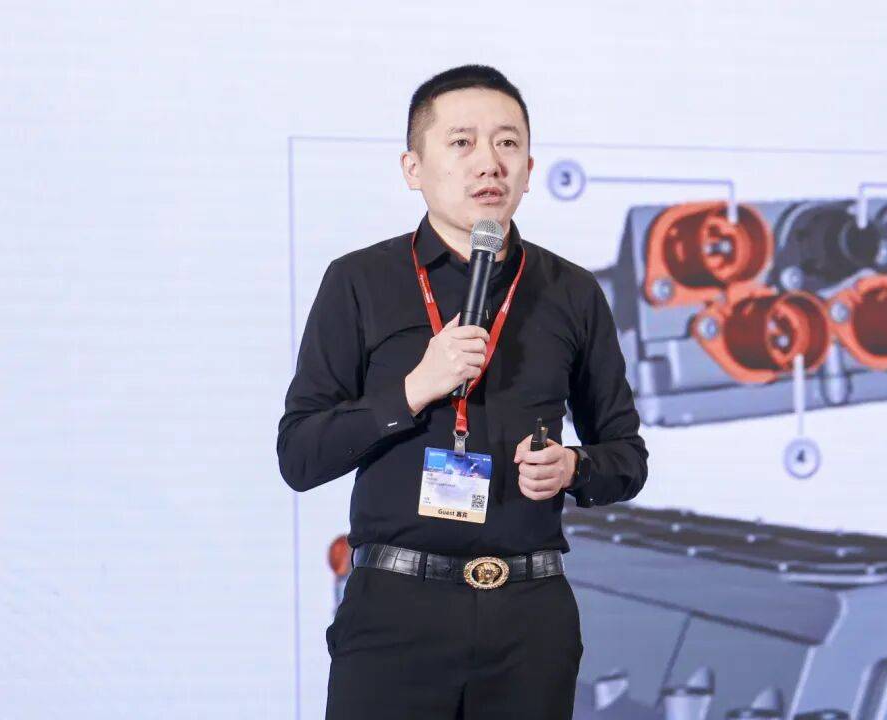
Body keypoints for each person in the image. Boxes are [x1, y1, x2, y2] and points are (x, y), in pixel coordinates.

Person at [276, 64, 649, 720]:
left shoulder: (571, 292)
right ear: (413, 168)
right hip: (396, 613)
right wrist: (413, 389)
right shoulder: (359, 281)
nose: (489, 162)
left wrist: (574, 468)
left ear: (529, 170)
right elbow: (300, 455)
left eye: (507, 143)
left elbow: (627, 455)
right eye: (462, 142)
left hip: (529, 619)